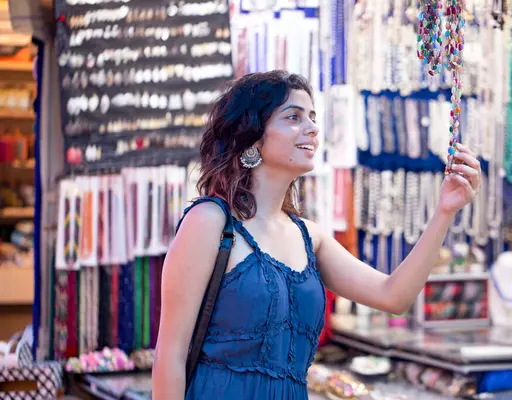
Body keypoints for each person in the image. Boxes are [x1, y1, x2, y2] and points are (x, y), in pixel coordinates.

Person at [152, 70, 482, 400]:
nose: (312, 127)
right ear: (252, 137)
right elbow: (171, 354)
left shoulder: (309, 237)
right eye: (293, 117)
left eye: (312, 117)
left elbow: (394, 296)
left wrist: (444, 212)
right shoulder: (210, 221)